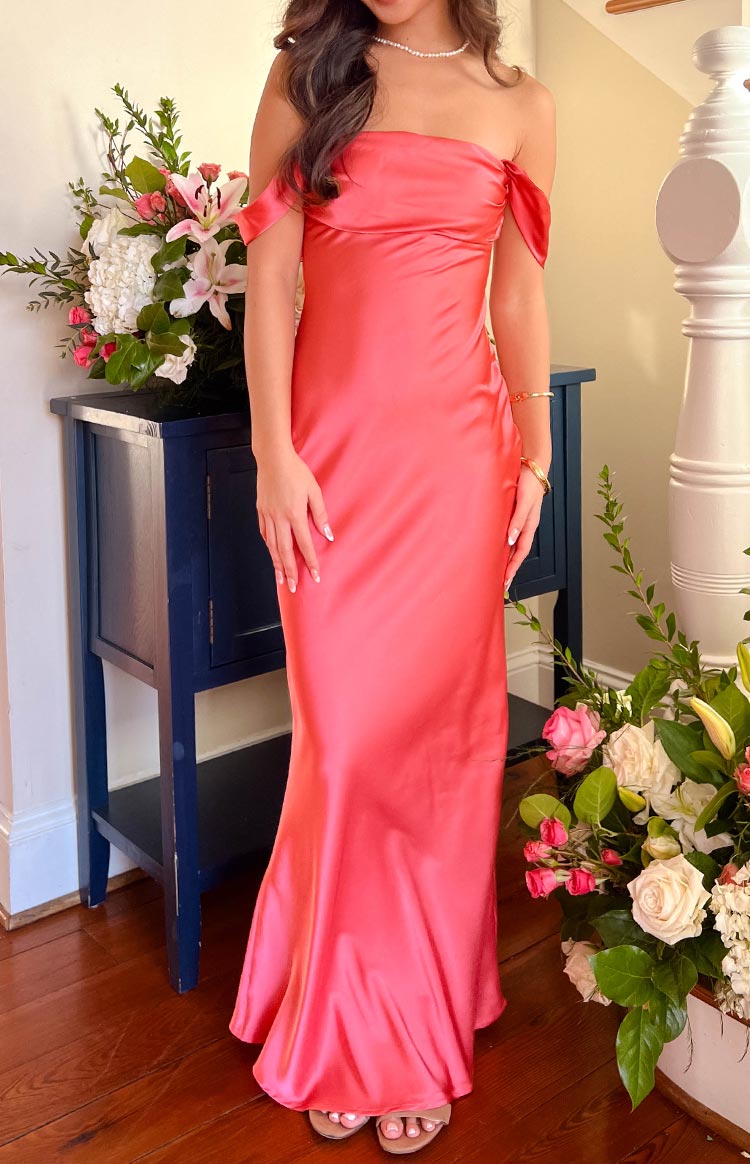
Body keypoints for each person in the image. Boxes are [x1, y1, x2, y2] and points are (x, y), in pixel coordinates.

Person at [228, 0, 556, 1153]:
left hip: (460, 466)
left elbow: (516, 291)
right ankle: (336, 1008)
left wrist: (537, 453)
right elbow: (271, 280)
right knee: (348, 744)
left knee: (440, 753)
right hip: (331, 466)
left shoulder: (524, 105)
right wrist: (274, 455)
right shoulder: (307, 79)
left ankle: (408, 1022)